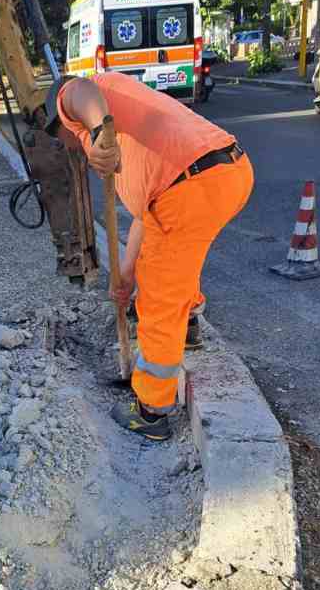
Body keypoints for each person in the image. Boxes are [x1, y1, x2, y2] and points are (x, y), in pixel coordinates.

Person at [46, 73, 254, 441]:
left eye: (61, 138)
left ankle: (150, 410)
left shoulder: (76, 103)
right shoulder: (130, 113)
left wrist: (97, 133)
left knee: (158, 298)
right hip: (228, 173)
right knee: (174, 257)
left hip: (188, 187)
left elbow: (79, 91)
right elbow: (149, 217)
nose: (66, 145)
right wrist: (125, 277)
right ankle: (188, 324)